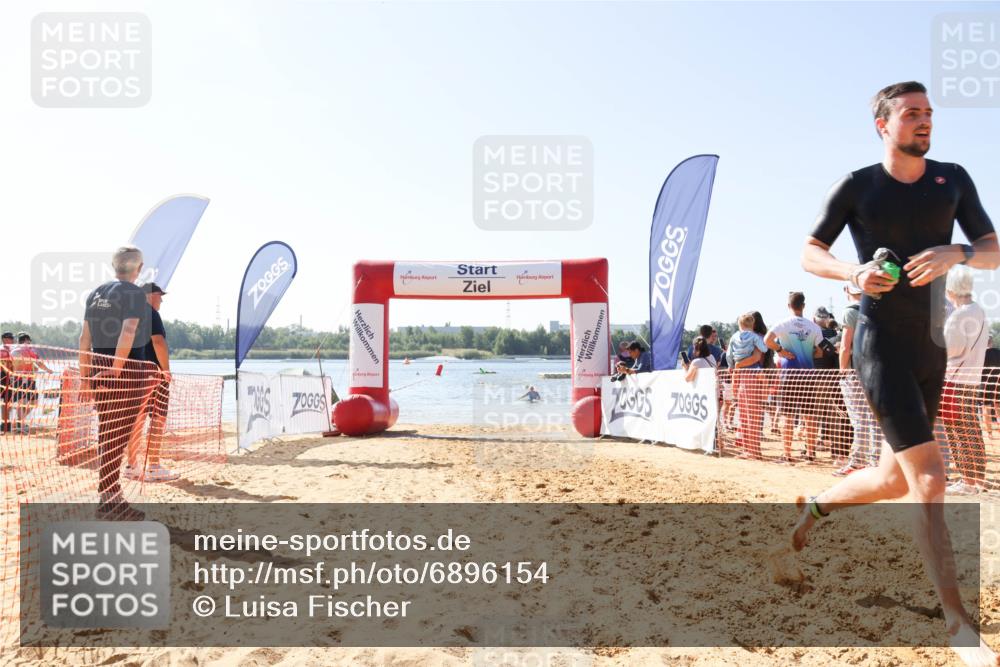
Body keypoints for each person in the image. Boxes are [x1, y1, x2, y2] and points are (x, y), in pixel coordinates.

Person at [794, 81, 999, 666]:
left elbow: (992, 247)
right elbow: (810, 251)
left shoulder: (953, 179)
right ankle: (956, 624)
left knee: (891, 480)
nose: (924, 121)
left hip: (931, 347)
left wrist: (957, 253)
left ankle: (815, 506)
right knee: (930, 479)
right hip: (880, 344)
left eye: (928, 113)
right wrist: (854, 274)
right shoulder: (858, 185)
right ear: (882, 125)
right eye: (911, 114)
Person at [80, 246, 157, 521]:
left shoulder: (96, 293)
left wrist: (84, 378)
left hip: (98, 370)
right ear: (139, 268)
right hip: (124, 372)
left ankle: (108, 498)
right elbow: (128, 330)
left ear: (114, 266)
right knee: (117, 437)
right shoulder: (134, 293)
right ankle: (111, 501)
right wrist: (116, 369)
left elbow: (84, 339)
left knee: (107, 434)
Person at [939, 266, 989, 495]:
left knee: (957, 431)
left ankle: (967, 481)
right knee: (972, 429)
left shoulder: (959, 315)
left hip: (954, 379)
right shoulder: (979, 310)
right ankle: (977, 480)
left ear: (950, 290)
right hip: (972, 379)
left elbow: (950, 350)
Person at [125, 283, 179, 483]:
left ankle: (132, 466)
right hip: (152, 373)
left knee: (137, 419)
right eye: (159, 295)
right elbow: (158, 342)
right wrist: (165, 369)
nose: (161, 299)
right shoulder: (150, 313)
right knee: (158, 418)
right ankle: (154, 466)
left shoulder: (129, 314)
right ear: (149, 295)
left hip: (133, 373)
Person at [765, 292, 824, 463]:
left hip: (789, 374)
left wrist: (780, 351)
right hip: (808, 375)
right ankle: (811, 453)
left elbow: (768, 340)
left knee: (787, 415)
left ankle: (787, 454)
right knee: (809, 416)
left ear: (788, 306)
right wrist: (808, 352)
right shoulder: (814, 327)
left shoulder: (783, 323)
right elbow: (820, 352)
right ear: (803, 306)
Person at [835, 282, 882, 476]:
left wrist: (842, 370)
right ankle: (875, 461)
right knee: (874, 418)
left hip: (855, 372)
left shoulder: (850, 312)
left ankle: (857, 461)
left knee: (859, 418)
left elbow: (845, 346)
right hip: (876, 370)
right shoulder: (876, 309)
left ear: (847, 290)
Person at [9, 333, 54, 434]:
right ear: (26, 340)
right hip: (22, 379)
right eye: (29, 341)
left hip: (24, 379)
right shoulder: (28, 350)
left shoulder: (14, 350)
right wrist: (48, 370)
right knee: (24, 403)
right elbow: (38, 363)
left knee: (31, 403)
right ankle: (21, 426)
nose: (30, 343)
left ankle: (19, 422)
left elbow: (30, 364)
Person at [0, 332, 13, 434]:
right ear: (4, 339)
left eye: (12, 338)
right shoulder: (3, 350)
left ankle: (5, 424)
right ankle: (5, 424)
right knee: (6, 402)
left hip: (8, 377)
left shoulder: (10, 349)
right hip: (4, 376)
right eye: (10, 338)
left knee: (7, 402)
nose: (12, 340)